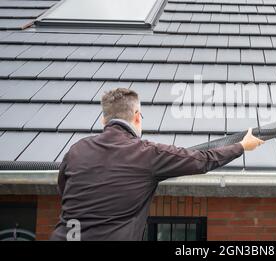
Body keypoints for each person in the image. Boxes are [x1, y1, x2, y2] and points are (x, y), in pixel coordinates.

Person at [50, 88, 264, 241]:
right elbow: (202, 160)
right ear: (136, 117)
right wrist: (242, 146)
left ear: (103, 121)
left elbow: (64, 190)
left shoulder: (76, 150)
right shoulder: (148, 153)